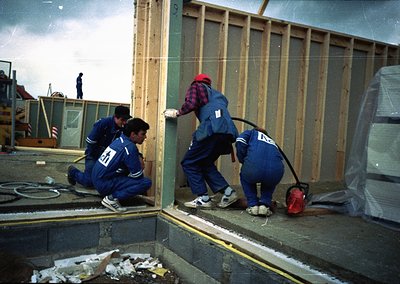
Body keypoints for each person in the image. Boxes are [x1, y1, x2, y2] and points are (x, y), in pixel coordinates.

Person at [164, 73, 239, 209]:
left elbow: (191, 103)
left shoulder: (197, 87)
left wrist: (177, 113)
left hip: (211, 129)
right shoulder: (217, 95)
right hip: (227, 133)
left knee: (188, 162)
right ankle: (228, 193)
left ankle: (203, 198)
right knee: (205, 162)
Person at [92, 117, 151, 212]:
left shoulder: (120, 140)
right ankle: (111, 199)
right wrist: (140, 165)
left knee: (127, 172)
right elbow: (137, 175)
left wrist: (138, 155)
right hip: (103, 184)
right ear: (133, 134)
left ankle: (114, 193)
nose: (145, 137)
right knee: (145, 182)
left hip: (97, 178)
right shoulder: (129, 148)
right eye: (143, 134)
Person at [67, 105, 131, 188]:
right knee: (89, 182)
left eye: (126, 120)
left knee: (108, 179)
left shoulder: (123, 127)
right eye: (122, 120)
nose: (124, 122)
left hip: (108, 157)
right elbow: (90, 141)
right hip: (94, 155)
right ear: (115, 117)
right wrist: (97, 154)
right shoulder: (103, 123)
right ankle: (73, 172)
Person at [235, 128, 285, 217]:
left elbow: (240, 140)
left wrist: (242, 158)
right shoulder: (271, 141)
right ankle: (264, 205)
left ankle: (253, 205)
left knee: (246, 177)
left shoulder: (251, 133)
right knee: (269, 181)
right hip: (276, 171)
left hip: (254, 167)